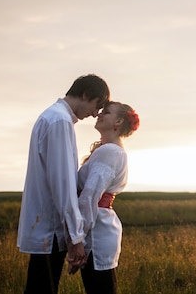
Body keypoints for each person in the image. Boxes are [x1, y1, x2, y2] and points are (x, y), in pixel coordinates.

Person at [17, 74, 110, 294]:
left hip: (47, 227)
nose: (96, 113)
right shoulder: (60, 121)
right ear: (86, 95)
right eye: (97, 106)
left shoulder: (53, 117)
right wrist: (75, 237)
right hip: (50, 229)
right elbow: (63, 185)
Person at [69, 101, 140, 294]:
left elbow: (89, 197)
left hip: (97, 233)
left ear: (118, 121)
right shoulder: (111, 149)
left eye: (106, 112)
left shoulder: (110, 151)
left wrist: (78, 240)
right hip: (99, 228)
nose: (99, 114)